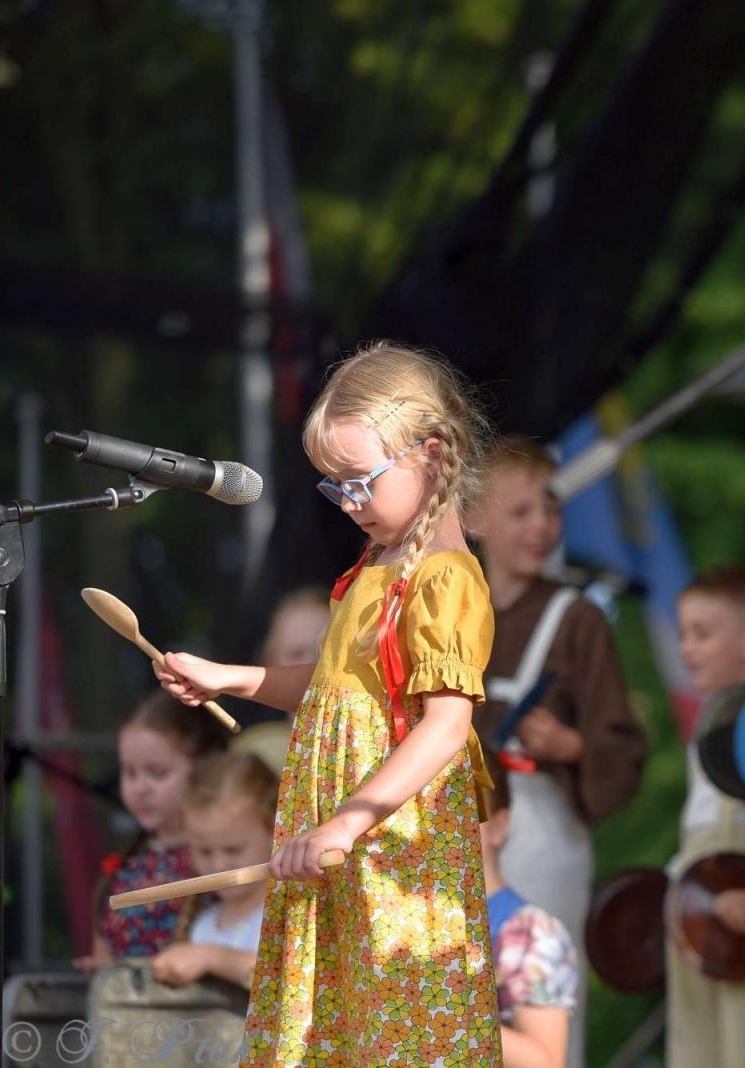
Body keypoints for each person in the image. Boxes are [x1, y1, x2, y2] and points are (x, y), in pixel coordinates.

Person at [153, 341, 503, 1063]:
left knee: (396, 1024)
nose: (348, 503)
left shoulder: (444, 579)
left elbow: (443, 728)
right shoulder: (375, 565)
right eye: (333, 487)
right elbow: (332, 691)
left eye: (359, 482)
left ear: (432, 457)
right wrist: (232, 679)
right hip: (338, 844)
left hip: (392, 851)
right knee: (336, 1026)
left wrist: (349, 821)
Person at [467, 436, 646, 1068]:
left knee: (537, 1005)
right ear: (473, 518)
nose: (541, 526)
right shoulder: (453, 613)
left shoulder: (578, 620)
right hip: (460, 828)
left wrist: (572, 744)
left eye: (550, 509)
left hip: (543, 833)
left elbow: (622, 747)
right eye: (521, 512)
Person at [667, 564, 745, 1068]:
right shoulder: (704, 736)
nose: (687, 648)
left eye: (703, 633)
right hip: (696, 929)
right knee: (695, 1049)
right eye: (683, 634)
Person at [76, 691, 229, 975]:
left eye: (157, 773)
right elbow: (104, 947)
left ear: (205, 767)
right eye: (130, 773)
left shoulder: (221, 862)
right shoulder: (124, 870)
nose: (140, 787)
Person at [479, 753, 580, 1068]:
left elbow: (545, 1062)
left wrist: (441, 1005)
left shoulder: (526, 932)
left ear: (498, 826)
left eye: (458, 816)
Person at [151, 751, 280, 989]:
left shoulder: (288, 915)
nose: (218, 866)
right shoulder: (203, 926)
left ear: (275, 831)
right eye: (204, 852)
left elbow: (287, 980)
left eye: (233, 850)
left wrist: (213, 959)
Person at [231, 586, 332, 777]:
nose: (311, 665)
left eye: (325, 651)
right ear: (271, 664)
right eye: (296, 654)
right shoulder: (256, 757)